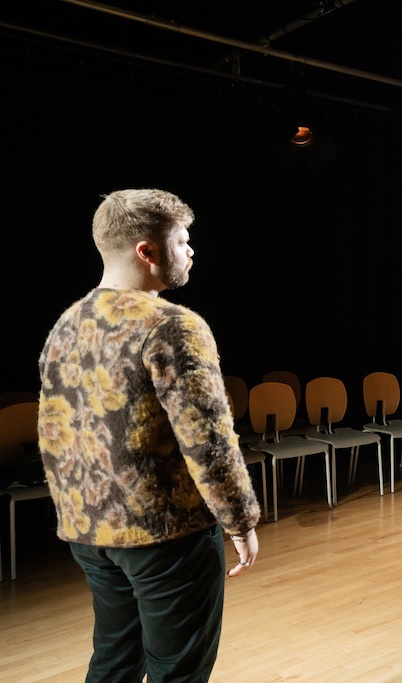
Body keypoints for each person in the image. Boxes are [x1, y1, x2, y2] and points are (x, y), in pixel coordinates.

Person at [37, 189, 261, 682]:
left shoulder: (65, 325)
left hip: (88, 531)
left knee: (114, 661)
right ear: (147, 251)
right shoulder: (171, 325)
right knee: (178, 670)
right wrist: (240, 520)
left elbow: (57, 432)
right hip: (165, 533)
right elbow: (208, 438)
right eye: (183, 240)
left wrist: (77, 517)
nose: (191, 251)